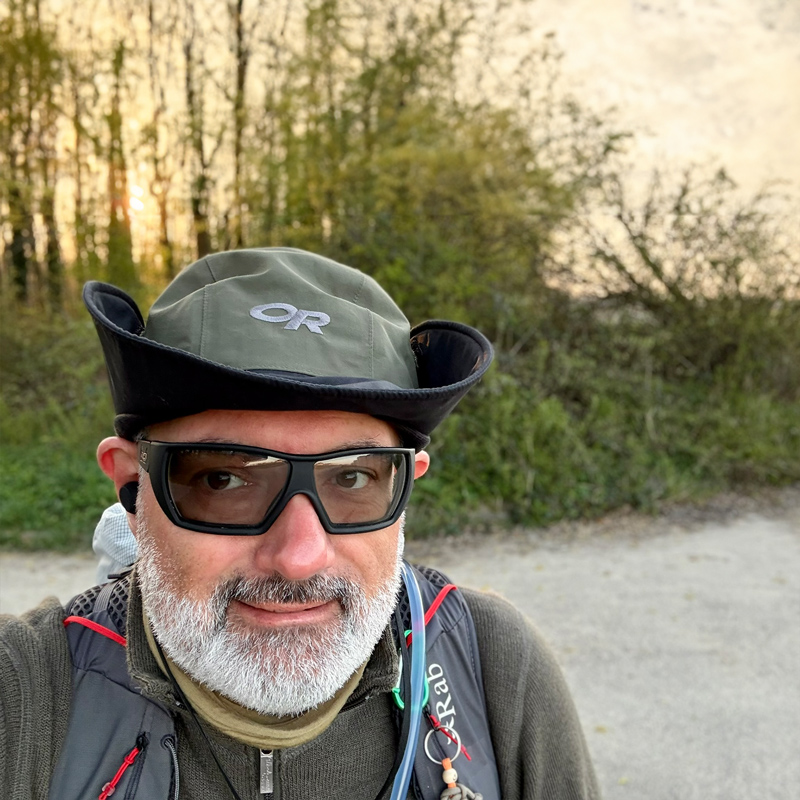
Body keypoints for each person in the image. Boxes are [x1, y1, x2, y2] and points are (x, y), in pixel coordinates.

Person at [0, 248, 600, 800]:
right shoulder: (23, 696)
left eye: (353, 478)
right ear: (132, 487)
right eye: (223, 480)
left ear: (406, 486)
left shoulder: (494, 670)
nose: (298, 557)